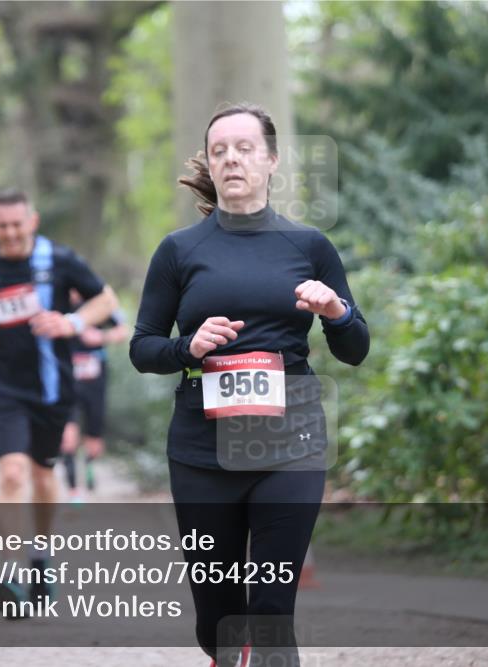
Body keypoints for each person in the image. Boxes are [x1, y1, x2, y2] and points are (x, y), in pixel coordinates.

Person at [129, 103, 369, 667]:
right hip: (201, 448)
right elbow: (143, 348)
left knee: (270, 611)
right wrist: (188, 346)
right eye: (219, 150)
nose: (231, 158)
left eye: (244, 148)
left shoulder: (309, 247)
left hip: (291, 439)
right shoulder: (179, 251)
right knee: (217, 617)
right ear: (210, 165)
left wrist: (336, 312)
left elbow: (354, 348)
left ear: (271, 161)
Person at [0, 188, 117, 613]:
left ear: (32, 221)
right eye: (1, 225)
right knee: (11, 472)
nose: (9, 233)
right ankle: (9, 574)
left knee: (44, 477)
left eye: (16, 224)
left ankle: (41, 558)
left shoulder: (59, 261)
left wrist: (71, 322)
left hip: (52, 386)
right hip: (3, 383)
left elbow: (106, 300)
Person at [59, 291, 130, 503]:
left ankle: (89, 464)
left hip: (95, 381)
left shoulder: (98, 305)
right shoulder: (55, 302)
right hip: (67, 380)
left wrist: (101, 337)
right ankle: (73, 491)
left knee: (94, 442)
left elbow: (123, 331)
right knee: (68, 439)